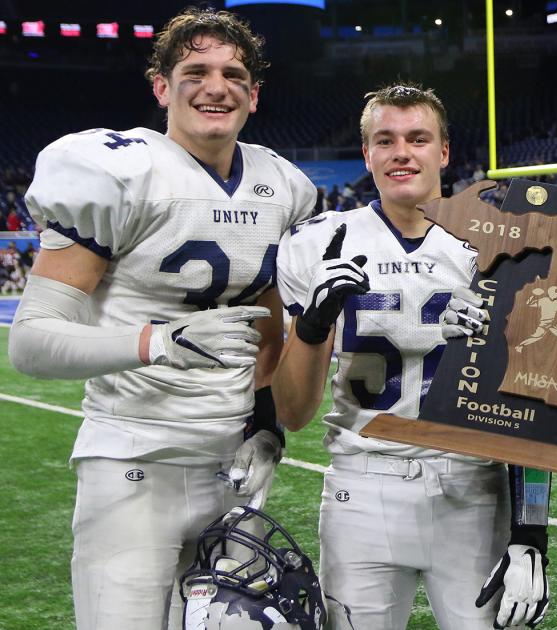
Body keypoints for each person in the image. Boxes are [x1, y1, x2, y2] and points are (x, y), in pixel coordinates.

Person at [9, 8, 314, 629]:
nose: (215, 85)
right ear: (161, 87)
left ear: (253, 95)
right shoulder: (122, 171)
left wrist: (267, 424)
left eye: (233, 73)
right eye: (195, 70)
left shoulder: (282, 185)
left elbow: (267, 323)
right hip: (133, 460)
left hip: (235, 468)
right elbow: (31, 343)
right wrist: (156, 341)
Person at [272, 83, 550, 630]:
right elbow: (292, 413)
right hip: (361, 485)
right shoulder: (318, 243)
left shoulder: (498, 247)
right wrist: (311, 326)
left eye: (418, 138)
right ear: (367, 154)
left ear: (444, 152)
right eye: (386, 140)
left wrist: (532, 533)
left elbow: (534, 406)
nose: (402, 152)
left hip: (472, 490)